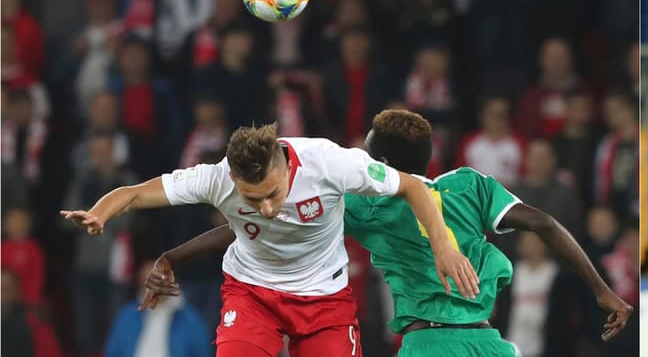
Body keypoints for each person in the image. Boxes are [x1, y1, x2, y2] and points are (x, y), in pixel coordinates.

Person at [140, 110, 632, 356]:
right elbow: (544, 223)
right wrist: (603, 291)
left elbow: (248, 228)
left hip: (428, 347)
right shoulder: (472, 186)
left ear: (384, 164)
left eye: (369, 153)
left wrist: (175, 257)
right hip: (490, 344)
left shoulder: (368, 206)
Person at [61, 121, 480, 357]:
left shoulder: (330, 163)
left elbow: (412, 186)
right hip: (253, 295)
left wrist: (443, 246)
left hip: (325, 300)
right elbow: (135, 193)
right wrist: (100, 211)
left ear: (286, 167)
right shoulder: (214, 178)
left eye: (272, 195)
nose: (264, 208)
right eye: (251, 198)